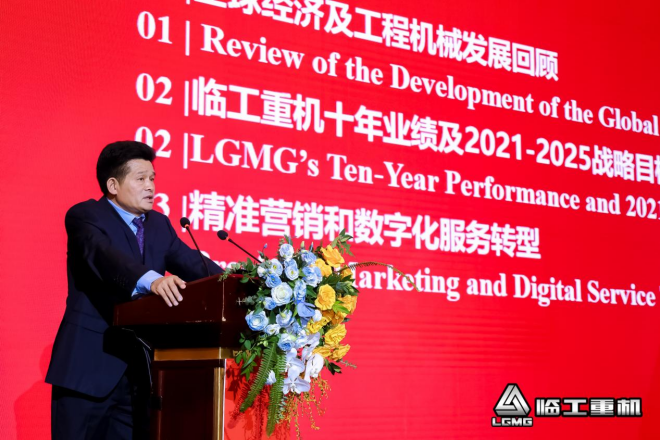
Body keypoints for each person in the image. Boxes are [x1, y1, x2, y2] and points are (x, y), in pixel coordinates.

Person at [46, 141, 223, 439]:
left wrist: (248, 282)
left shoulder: (159, 225)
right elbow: (104, 257)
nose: (150, 186)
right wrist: (151, 279)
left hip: (138, 377)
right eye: (140, 179)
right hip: (86, 369)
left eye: (152, 178)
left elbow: (196, 265)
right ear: (113, 185)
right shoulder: (85, 216)